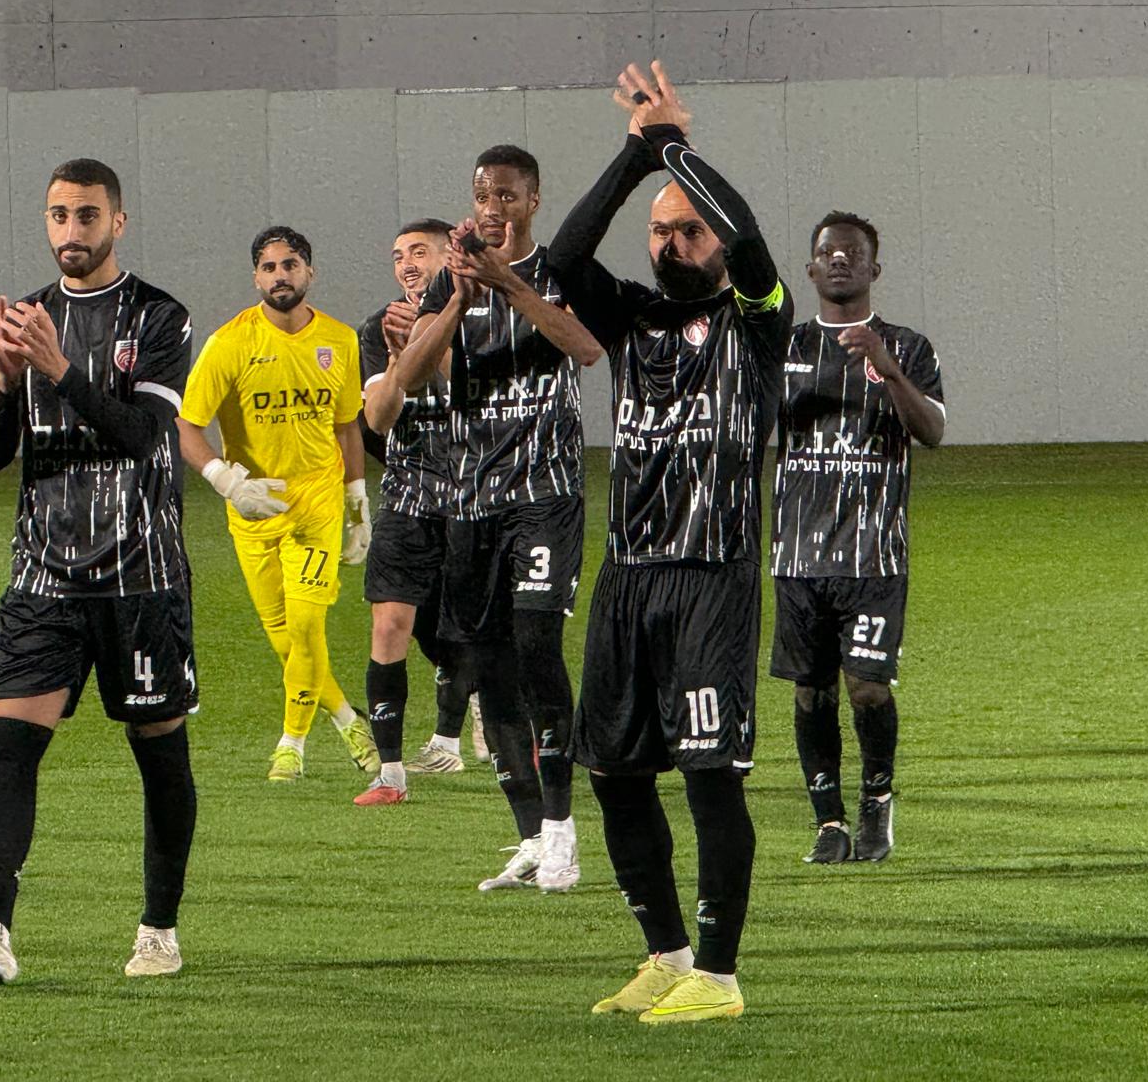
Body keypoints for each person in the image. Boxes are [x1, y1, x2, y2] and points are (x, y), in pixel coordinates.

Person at [0, 159, 197, 982]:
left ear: (118, 222)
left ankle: (158, 928)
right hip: (44, 578)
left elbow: (145, 437)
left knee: (159, 753)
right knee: (7, 745)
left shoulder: (159, 317)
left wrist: (59, 371)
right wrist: (5, 379)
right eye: (59, 215)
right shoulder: (30, 318)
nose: (72, 230)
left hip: (140, 578)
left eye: (88, 215)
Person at [543, 60, 791, 1022]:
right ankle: (666, 954)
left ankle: (719, 978)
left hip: (711, 578)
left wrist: (678, 147)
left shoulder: (756, 322)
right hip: (628, 578)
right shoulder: (633, 316)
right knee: (613, 772)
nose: (673, 243)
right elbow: (564, 260)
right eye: (661, 231)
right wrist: (635, 154)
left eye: (690, 231)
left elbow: (752, 238)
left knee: (709, 775)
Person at [393, 148, 600, 889]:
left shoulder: (557, 272)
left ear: (533, 201)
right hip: (471, 501)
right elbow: (408, 376)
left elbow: (585, 348)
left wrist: (506, 282)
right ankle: (532, 838)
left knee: (538, 645)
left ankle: (563, 829)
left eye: (506, 196)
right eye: (483, 195)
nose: (493, 208)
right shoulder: (449, 281)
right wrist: (456, 299)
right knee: (487, 669)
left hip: (545, 494)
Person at [771, 211, 944, 865]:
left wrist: (887, 368)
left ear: (874, 268)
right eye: (828, 253)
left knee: (867, 687)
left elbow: (932, 431)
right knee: (810, 689)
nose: (839, 259)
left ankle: (876, 803)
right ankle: (828, 822)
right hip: (798, 554)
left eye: (852, 252)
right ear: (811, 269)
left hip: (874, 556)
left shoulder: (909, 346)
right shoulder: (784, 348)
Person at [177, 225, 378, 782]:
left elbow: (347, 427)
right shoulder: (230, 343)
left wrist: (356, 502)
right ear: (256, 278)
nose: (279, 276)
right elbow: (187, 427)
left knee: (308, 626)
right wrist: (225, 481)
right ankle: (348, 720)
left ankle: (291, 744)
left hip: (317, 502)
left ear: (309, 271)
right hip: (253, 513)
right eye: (268, 268)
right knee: (285, 638)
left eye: (289, 265)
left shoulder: (339, 340)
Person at [352, 218, 482, 804]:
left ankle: (459, 735)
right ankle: (390, 773)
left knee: (460, 632)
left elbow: (481, 401)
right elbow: (379, 419)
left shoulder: (481, 320)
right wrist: (399, 358)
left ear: (450, 259)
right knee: (390, 625)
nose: (407, 264)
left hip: (473, 495)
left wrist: (432, 342)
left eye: (420, 252)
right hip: (407, 496)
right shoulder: (375, 329)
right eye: (399, 255)